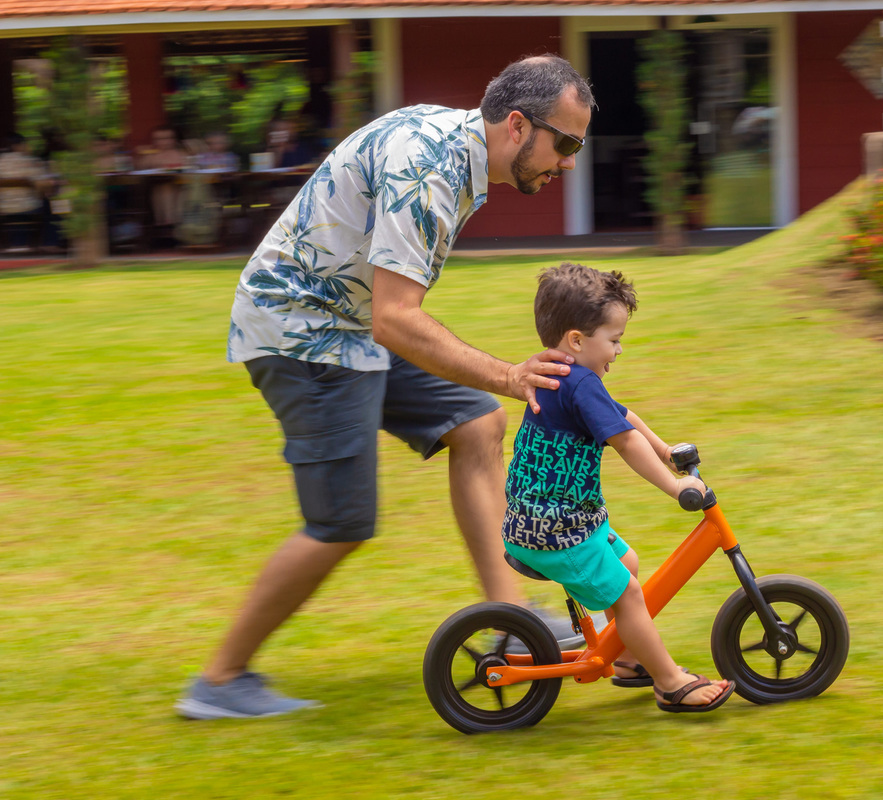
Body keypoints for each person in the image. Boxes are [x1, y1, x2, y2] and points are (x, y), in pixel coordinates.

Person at [177, 54, 596, 720]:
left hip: (353, 323)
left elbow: (388, 315)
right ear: (517, 125)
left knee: (478, 423)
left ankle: (510, 618)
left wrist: (496, 386)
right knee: (339, 522)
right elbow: (397, 317)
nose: (570, 161)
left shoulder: (461, 154)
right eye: (565, 143)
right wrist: (511, 374)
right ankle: (220, 681)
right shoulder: (428, 168)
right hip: (302, 330)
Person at [502, 263, 736, 713]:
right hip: (556, 531)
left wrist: (665, 449)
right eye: (613, 339)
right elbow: (625, 442)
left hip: (547, 519)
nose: (620, 349)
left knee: (625, 562)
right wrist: (675, 487)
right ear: (576, 340)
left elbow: (622, 416)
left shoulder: (568, 375)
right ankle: (669, 683)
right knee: (627, 593)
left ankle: (627, 659)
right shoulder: (580, 382)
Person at [0, 133, 53, 252]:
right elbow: (43, 184)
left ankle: (9, 244)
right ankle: (43, 243)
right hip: (29, 207)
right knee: (50, 206)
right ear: (19, 146)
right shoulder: (31, 161)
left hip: (3, 208)